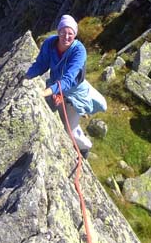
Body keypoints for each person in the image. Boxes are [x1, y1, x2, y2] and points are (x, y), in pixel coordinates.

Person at [25, 14, 106, 158]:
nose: (66, 36)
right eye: (63, 32)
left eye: (70, 33)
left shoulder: (78, 51)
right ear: (58, 31)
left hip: (73, 91)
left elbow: (68, 80)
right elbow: (41, 64)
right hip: (56, 87)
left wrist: (45, 93)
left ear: (75, 34)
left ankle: (84, 148)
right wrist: (27, 75)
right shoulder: (50, 43)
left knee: (69, 130)